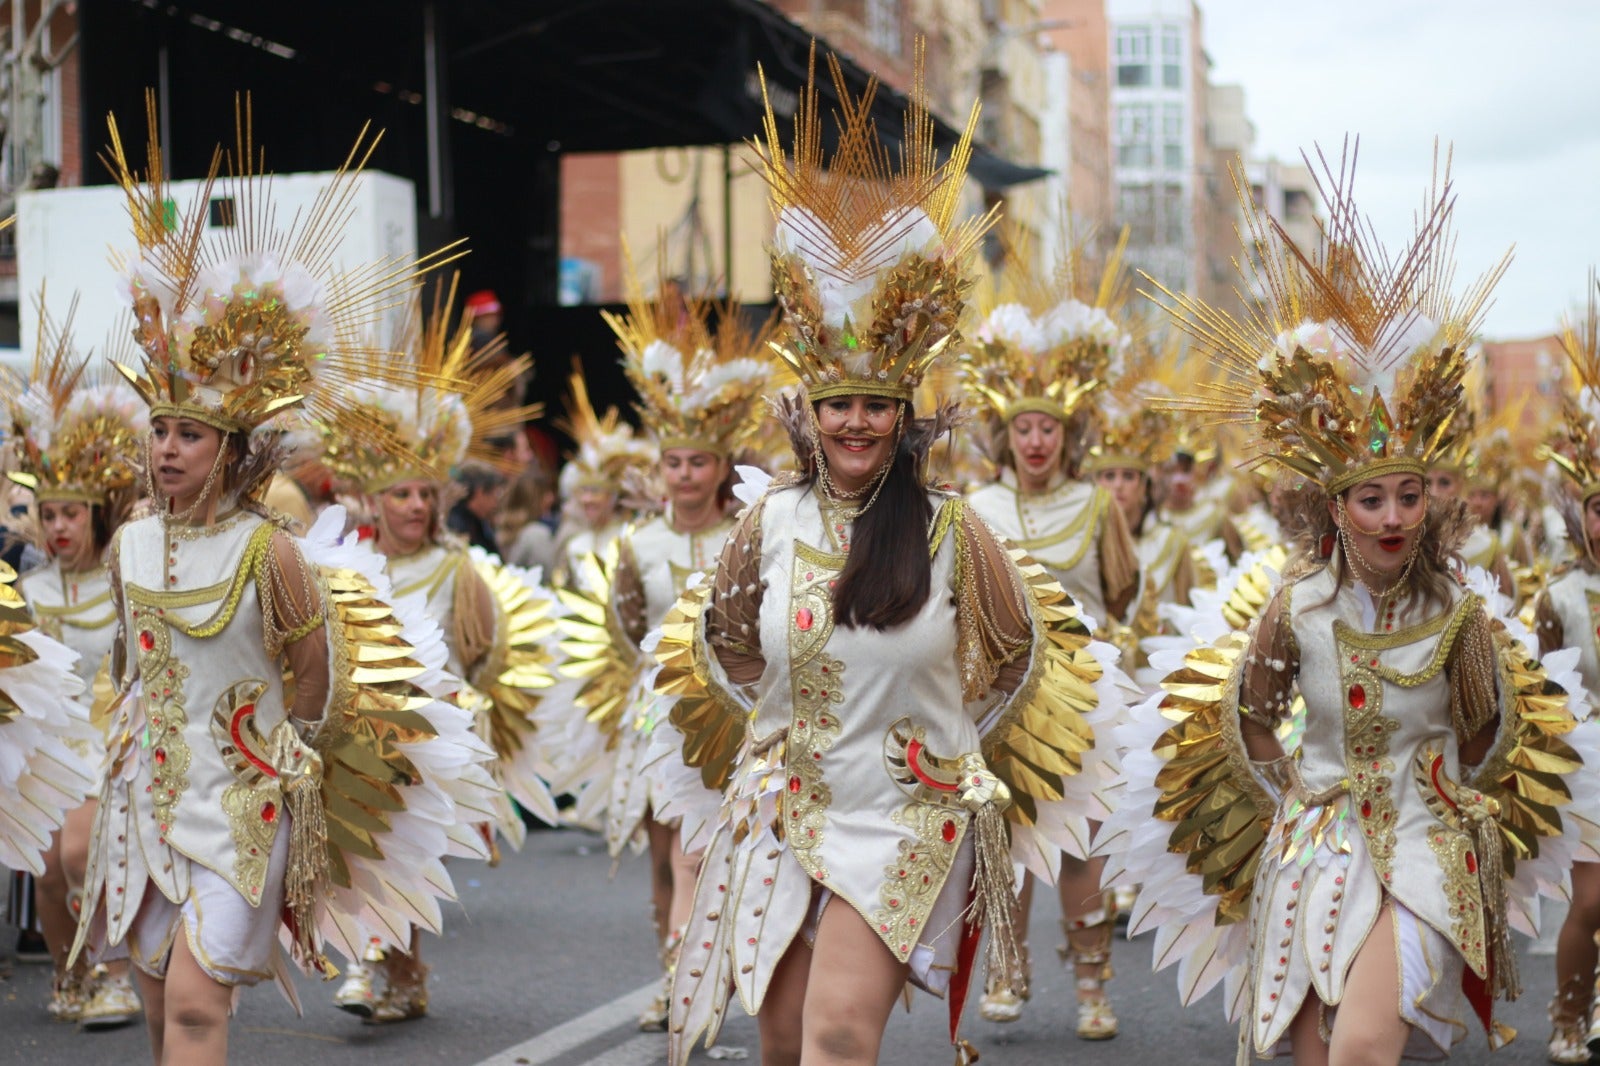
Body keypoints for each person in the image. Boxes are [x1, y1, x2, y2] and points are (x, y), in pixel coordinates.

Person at [661, 50, 1120, 1066]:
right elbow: (720, 637)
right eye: (838, 405)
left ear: (902, 413)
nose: (857, 422)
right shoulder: (767, 525)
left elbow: (1018, 656)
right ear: (809, 414)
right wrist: (774, 728)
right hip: (783, 805)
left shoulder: (955, 529)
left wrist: (945, 756)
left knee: (836, 1033)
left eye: (876, 404)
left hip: (904, 814)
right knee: (779, 1038)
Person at [1106, 148, 1590, 1064]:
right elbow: (1252, 714)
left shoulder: (1461, 615)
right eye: (1372, 500)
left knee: (1365, 1047)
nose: (1394, 517)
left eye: (1409, 496)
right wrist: (1291, 796)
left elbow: (1489, 730)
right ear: (1334, 507)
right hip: (1314, 851)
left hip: (1423, 849)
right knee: (1308, 1053)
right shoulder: (1296, 609)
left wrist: (1453, 805)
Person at [70, 98, 499, 1066]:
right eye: (162, 430)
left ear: (233, 449)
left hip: (240, 799)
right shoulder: (129, 541)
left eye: (190, 434)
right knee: (152, 998)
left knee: (194, 1001)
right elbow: (127, 663)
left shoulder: (276, 553)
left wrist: (288, 765)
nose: (168, 448)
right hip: (145, 795)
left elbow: (313, 668)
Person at [318, 281, 556, 1023]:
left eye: (426, 493)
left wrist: (463, 711)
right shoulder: (345, 567)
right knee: (362, 849)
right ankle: (371, 964)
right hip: (357, 729)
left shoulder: (459, 572)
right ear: (375, 500)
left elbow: (483, 658)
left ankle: (398, 967)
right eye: (402, 495)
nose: (416, 506)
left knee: (404, 852)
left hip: (427, 733)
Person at [564, 263, 770, 1031]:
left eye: (700, 462)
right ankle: (673, 972)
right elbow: (624, 625)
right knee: (666, 853)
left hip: (739, 712)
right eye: (675, 461)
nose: (685, 474)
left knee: (723, 847)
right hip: (660, 716)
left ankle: (720, 965)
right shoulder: (639, 543)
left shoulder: (748, 534)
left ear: (723, 467)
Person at [958, 237, 1140, 1036]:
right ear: (1007, 432)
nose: (1036, 440)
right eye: (1024, 426)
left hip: (1086, 694)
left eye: (1050, 427)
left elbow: (1125, 593)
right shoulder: (977, 507)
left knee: (1080, 849)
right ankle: (1008, 968)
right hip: (998, 693)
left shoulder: (1101, 508)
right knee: (1004, 837)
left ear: (1070, 434)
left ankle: (1094, 987)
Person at [4, 313, 148, 1030]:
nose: (58, 526)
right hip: (51, 743)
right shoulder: (26, 593)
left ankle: (116, 971)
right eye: (49, 513)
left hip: (114, 739)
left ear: (98, 515)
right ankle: (69, 976)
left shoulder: (125, 577)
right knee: (49, 866)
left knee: (88, 849)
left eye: (72, 513)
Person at [1532, 276, 1600, 1063]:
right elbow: (1544, 691)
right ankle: (1568, 1015)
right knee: (1592, 900)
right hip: (1589, 763)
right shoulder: (1559, 593)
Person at [446, 459, 507, 555]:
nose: (496, 503)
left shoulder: (477, 522)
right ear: (480, 492)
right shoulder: (456, 528)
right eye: (495, 494)